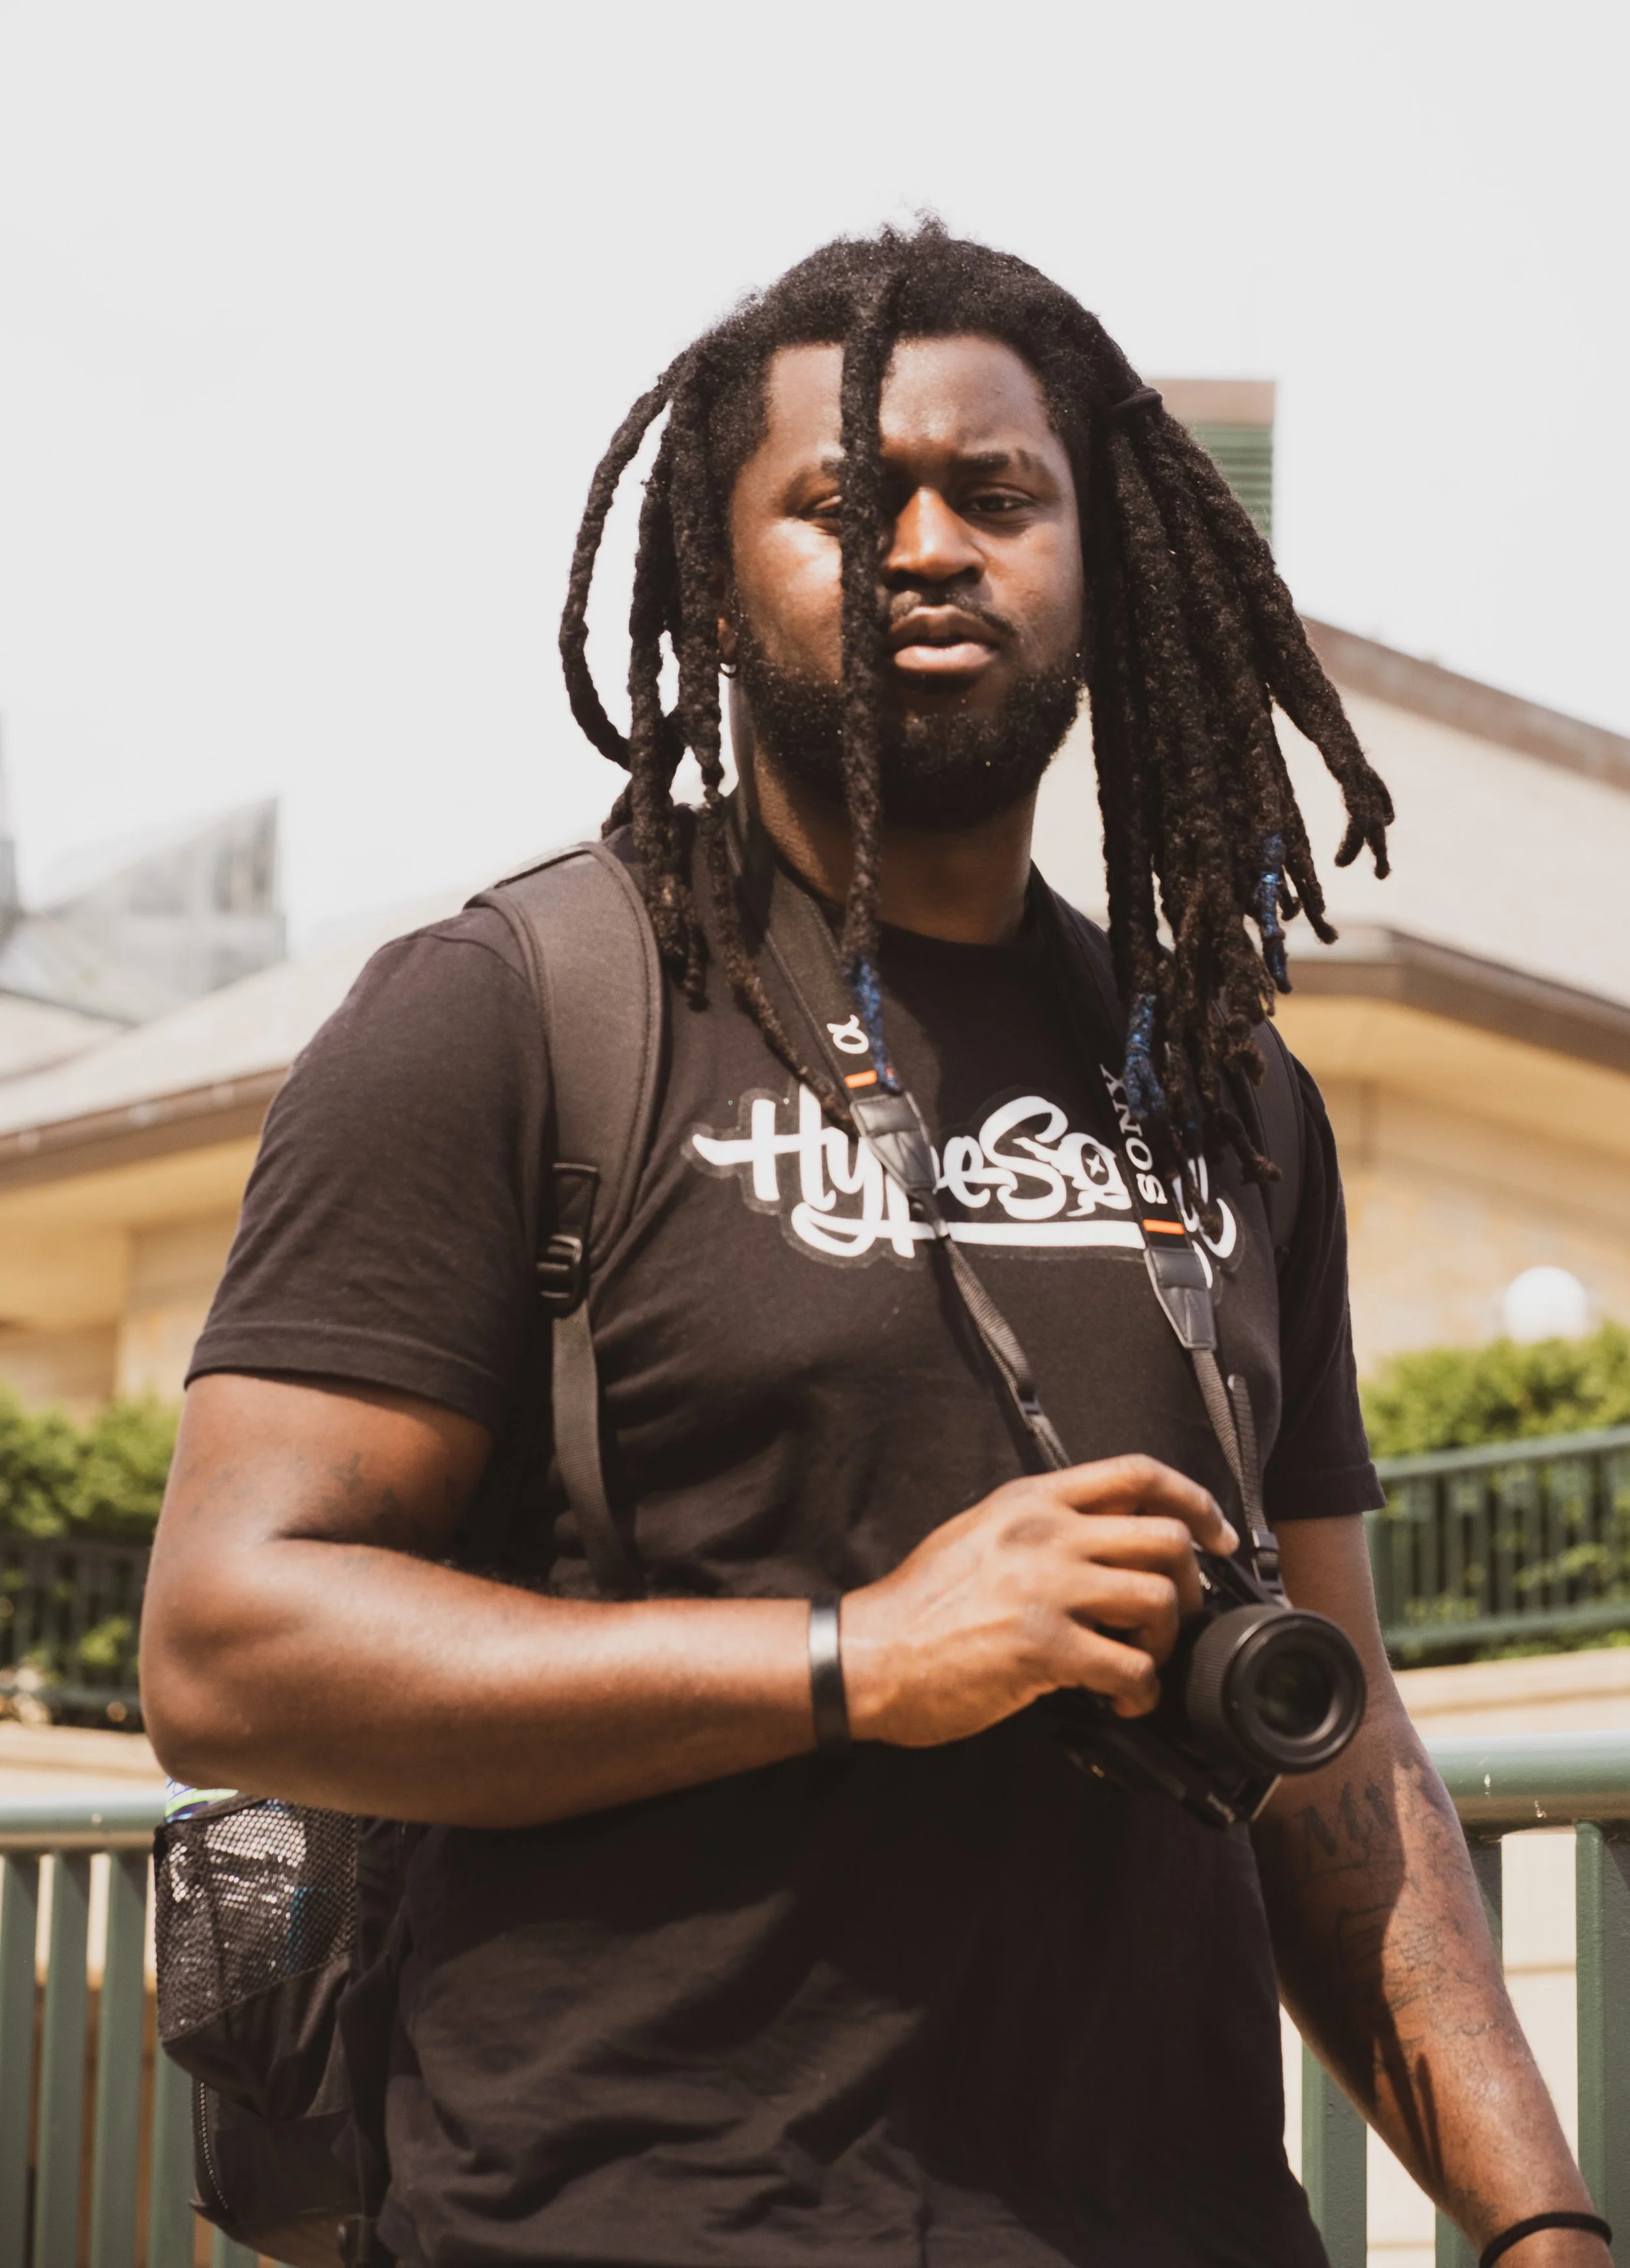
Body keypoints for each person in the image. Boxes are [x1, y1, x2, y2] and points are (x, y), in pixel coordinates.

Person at [142, 225, 1609, 2268]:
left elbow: (1338, 1726)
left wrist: (1536, 2221)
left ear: (1103, 568)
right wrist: (861, 1657)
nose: (926, 545)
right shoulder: (511, 1014)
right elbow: (224, 1643)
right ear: (711, 573)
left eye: (996, 496)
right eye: (840, 500)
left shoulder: (1220, 1090)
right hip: (622, 2222)